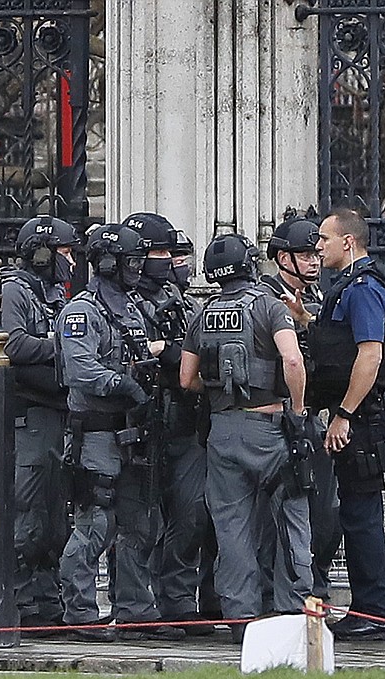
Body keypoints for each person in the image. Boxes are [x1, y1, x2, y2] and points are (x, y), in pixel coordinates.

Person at [56, 223, 185, 642]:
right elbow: (80, 369)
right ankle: (80, 612)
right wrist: (123, 384)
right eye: (132, 261)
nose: (139, 268)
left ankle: (135, 609)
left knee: (139, 523)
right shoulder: (82, 312)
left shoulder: (134, 307)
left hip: (135, 431)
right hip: (96, 432)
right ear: (109, 263)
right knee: (96, 523)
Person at [180, 233, 310, 644]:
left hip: (222, 431)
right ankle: (295, 608)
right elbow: (292, 359)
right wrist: (299, 409)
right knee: (291, 514)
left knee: (231, 527)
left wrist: (220, 392)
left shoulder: (202, 314)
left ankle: (242, 619)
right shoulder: (269, 306)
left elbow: (187, 379)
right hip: (269, 427)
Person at [310, 207, 385, 641]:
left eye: (324, 239)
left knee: (362, 515)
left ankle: (377, 611)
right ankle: (370, 607)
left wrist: (343, 414)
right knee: (355, 511)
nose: (318, 247)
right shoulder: (349, 286)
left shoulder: (364, 287)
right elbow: (340, 342)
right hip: (359, 414)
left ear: (348, 242)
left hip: (362, 418)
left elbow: (370, 354)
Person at [123, 212, 211, 636]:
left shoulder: (186, 302)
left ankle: (178, 599)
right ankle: (139, 605)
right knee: (141, 522)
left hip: (184, 419)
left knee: (191, 512)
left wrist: (172, 352)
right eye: (157, 253)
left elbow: (198, 352)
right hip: (140, 423)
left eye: (170, 253)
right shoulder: (118, 303)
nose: (167, 261)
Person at [0, 215, 80, 632]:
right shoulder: (15, 289)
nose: (70, 260)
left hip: (56, 415)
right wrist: (62, 346)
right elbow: (13, 343)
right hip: (29, 416)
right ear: (43, 253)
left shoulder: (54, 293)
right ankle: (21, 596)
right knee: (28, 513)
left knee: (54, 517)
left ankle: (48, 599)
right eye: (64, 252)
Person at [260, 217, 341, 602]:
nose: (314, 261)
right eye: (305, 254)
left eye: (315, 253)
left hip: (311, 418)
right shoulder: (266, 298)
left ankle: (313, 587)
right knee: (275, 516)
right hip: (277, 418)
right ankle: (282, 595)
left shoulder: (315, 299)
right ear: (282, 258)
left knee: (324, 517)